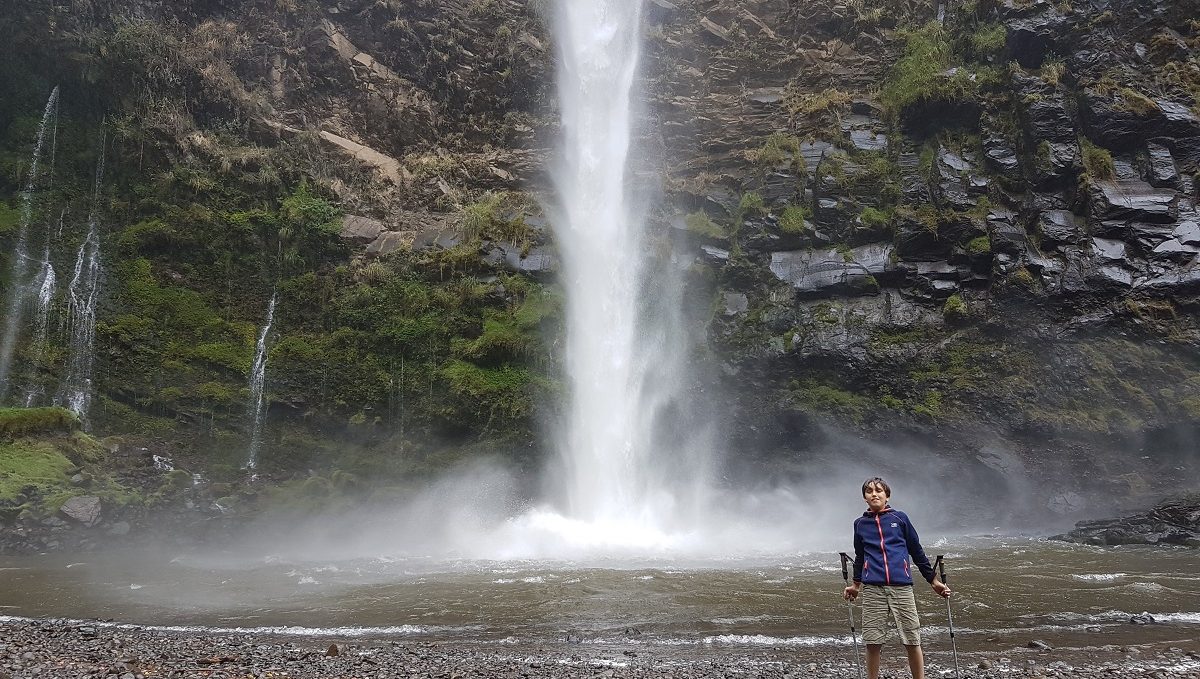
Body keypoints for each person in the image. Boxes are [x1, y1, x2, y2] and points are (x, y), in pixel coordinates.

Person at [843, 477, 951, 679]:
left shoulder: (900, 519)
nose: (874, 494)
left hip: (901, 586)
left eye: (879, 490)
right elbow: (860, 556)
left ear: (887, 495)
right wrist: (855, 585)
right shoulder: (860, 524)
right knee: (873, 641)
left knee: (912, 638)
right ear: (864, 498)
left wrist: (933, 581)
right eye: (869, 491)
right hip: (873, 588)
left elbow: (916, 550)